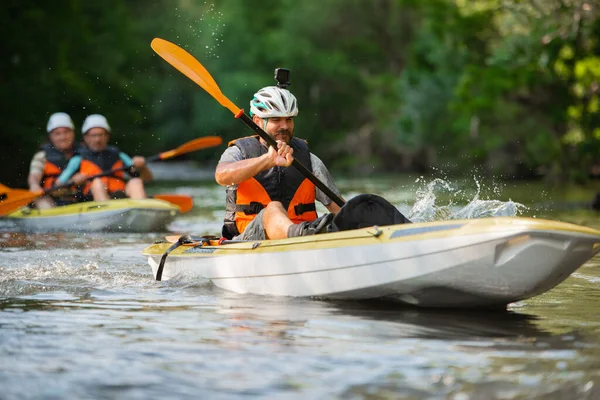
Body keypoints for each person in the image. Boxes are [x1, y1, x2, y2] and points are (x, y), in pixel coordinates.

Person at [215, 86, 344, 240]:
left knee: (359, 206)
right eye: (276, 120)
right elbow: (221, 176)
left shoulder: (309, 160)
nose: (284, 126)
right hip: (247, 239)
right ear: (257, 121)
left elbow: (338, 208)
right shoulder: (239, 153)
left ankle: (303, 235)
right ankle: (298, 235)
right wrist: (267, 160)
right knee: (273, 208)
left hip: (306, 237)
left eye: (289, 119)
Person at [57, 114, 151, 201]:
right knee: (97, 183)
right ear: (86, 138)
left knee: (135, 181)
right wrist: (73, 180)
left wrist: (142, 167)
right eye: (93, 135)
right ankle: (106, 212)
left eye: (101, 135)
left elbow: (148, 180)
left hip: (119, 195)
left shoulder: (118, 155)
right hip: (93, 198)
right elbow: (59, 185)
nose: (97, 139)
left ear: (107, 136)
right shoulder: (78, 158)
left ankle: (142, 209)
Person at [27, 112, 81, 208]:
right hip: (51, 199)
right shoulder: (42, 156)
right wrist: (34, 185)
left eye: (66, 132)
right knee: (41, 202)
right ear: (51, 137)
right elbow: (34, 175)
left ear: (73, 133)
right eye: (57, 134)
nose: (63, 137)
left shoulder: (84, 153)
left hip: (80, 199)